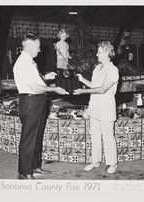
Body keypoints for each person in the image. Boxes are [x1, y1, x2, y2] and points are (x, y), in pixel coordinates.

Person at [13, 34, 68, 179]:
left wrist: (45, 77)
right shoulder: (23, 63)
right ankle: (24, 172)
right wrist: (53, 89)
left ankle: (35, 167)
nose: (39, 50)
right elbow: (34, 87)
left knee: (37, 136)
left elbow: (35, 81)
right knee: (29, 138)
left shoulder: (30, 62)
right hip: (31, 101)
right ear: (30, 46)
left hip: (37, 101)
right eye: (37, 47)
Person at [74, 41, 119, 174]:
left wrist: (83, 92)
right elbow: (94, 86)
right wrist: (82, 80)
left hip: (106, 107)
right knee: (94, 135)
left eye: (99, 52)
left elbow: (103, 89)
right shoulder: (97, 68)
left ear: (106, 53)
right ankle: (95, 161)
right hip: (94, 106)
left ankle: (113, 163)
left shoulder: (113, 70)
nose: (96, 54)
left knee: (108, 136)